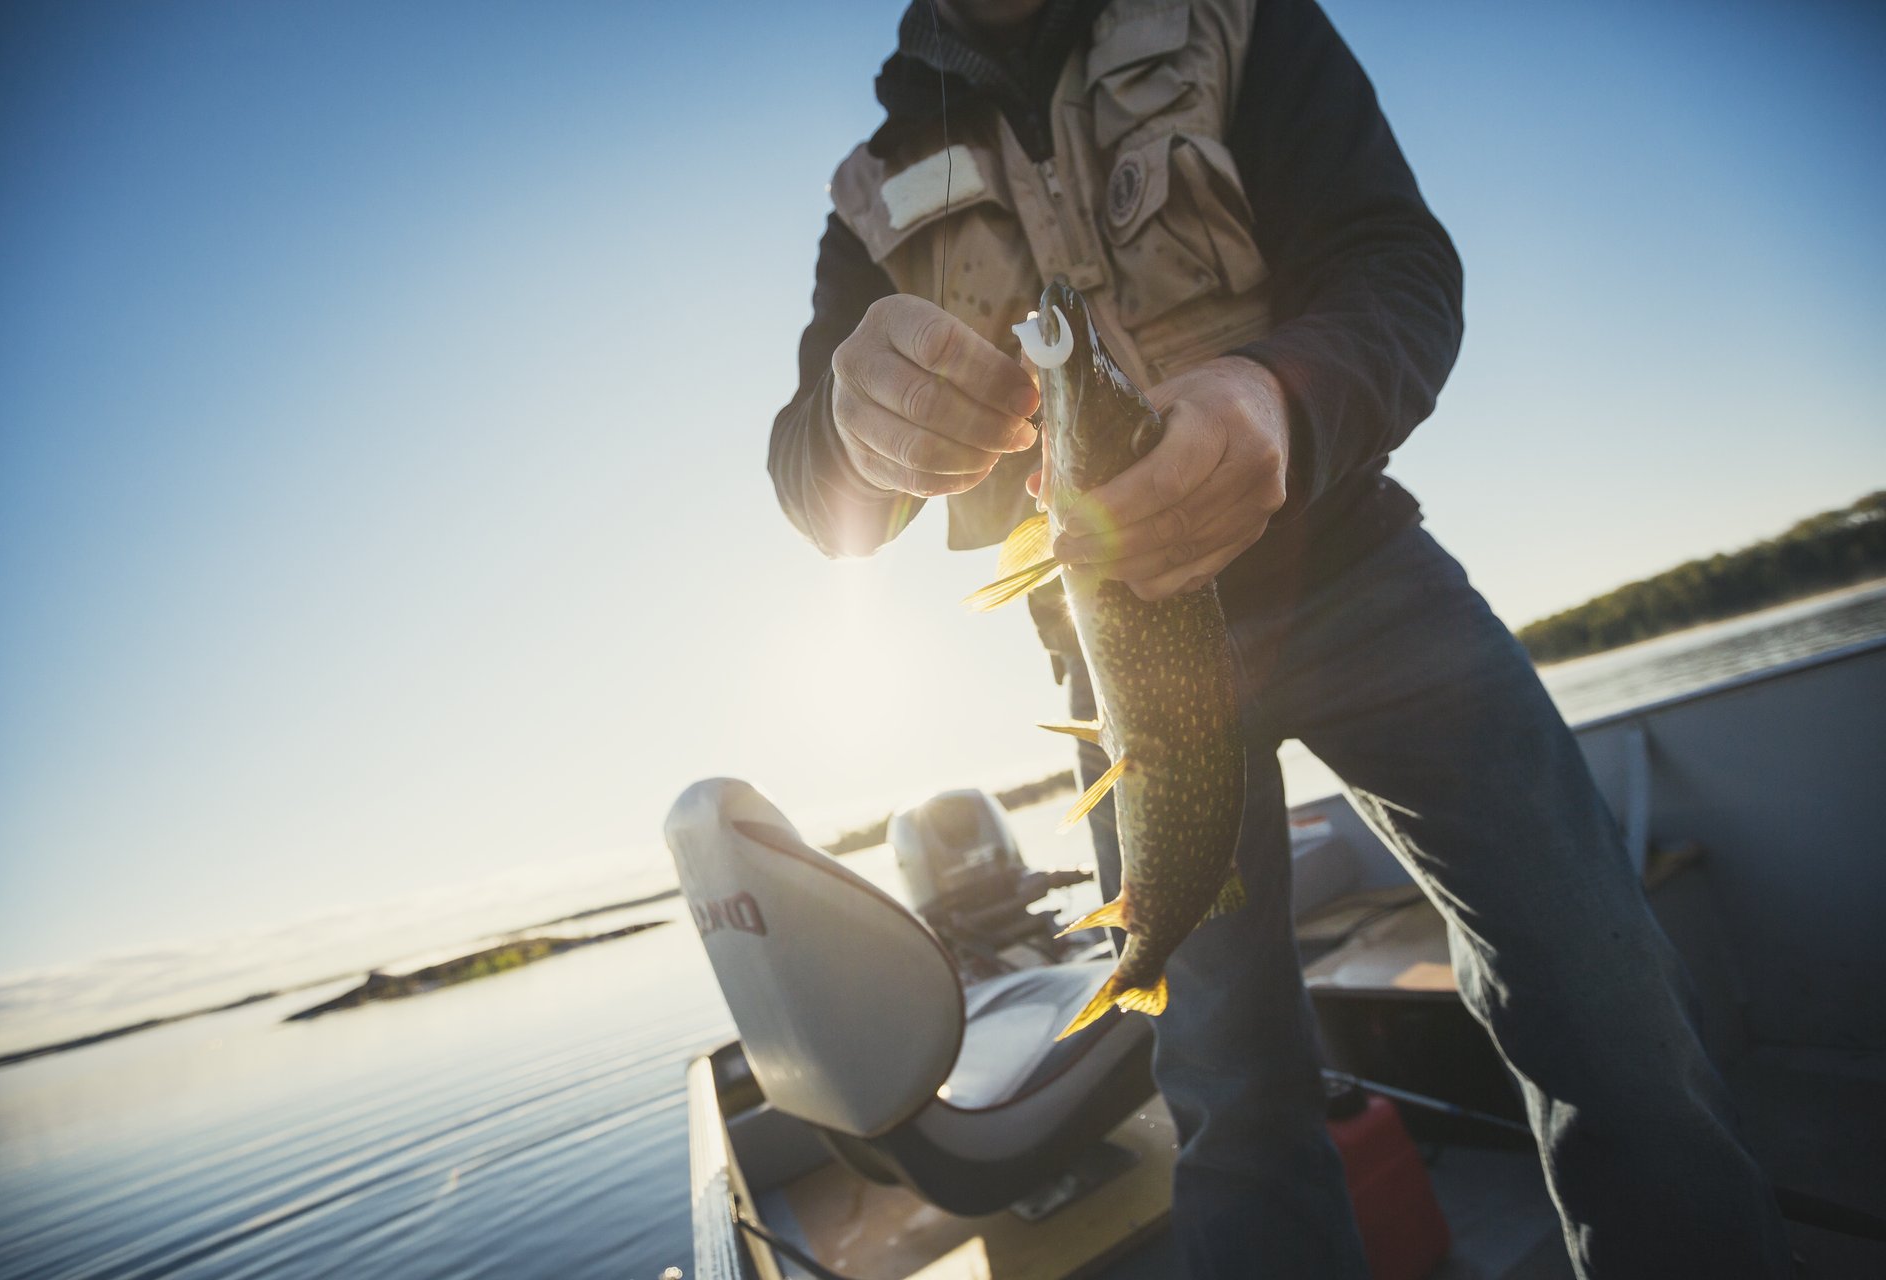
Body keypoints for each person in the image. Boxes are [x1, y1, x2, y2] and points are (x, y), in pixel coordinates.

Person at [766, 1, 1794, 1275]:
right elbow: (814, 483)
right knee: (1229, 1090)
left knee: (1606, 989)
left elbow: (1397, 266)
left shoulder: (1238, 18)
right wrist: (855, 425)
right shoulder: (867, 193)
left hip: (1354, 566)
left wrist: (1279, 400)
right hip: (1123, 668)